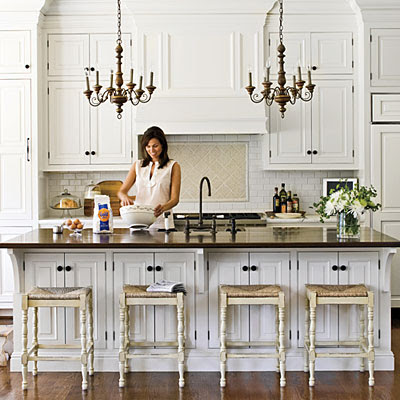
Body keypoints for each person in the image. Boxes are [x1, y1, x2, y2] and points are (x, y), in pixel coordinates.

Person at [118, 126, 181, 229]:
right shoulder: (137, 165)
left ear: (163, 145)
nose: (151, 150)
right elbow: (122, 191)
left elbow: (175, 199)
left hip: (162, 223)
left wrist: (162, 208)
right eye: (148, 146)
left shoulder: (173, 166)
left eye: (155, 146)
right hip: (138, 222)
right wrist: (124, 197)